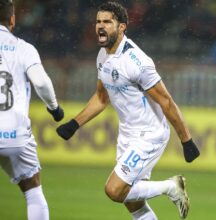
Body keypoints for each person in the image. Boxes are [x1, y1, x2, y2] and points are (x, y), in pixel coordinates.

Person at [56, 2, 200, 220]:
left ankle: (171, 187)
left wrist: (186, 141)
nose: (100, 26)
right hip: (127, 134)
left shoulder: (138, 62)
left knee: (114, 190)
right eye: (98, 21)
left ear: (122, 27)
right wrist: (74, 124)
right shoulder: (102, 57)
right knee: (133, 203)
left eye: (107, 22)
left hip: (149, 134)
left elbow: (166, 102)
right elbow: (102, 98)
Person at [0, 0, 64, 219]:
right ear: (12, 20)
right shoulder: (23, 48)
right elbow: (42, 82)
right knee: (32, 189)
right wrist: (54, 108)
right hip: (14, 132)